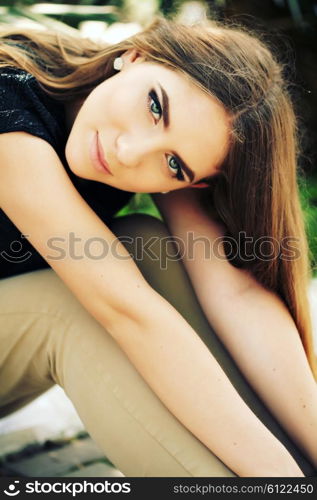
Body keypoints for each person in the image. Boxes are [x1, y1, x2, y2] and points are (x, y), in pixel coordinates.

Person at [0, 16, 316, 478]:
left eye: (173, 163)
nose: (130, 152)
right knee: (70, 308)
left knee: (145, 242)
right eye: (154, 107)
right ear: (136, 55)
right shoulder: (9, 106)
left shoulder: (176, 136)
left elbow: (237, 296)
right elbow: (128, 313)